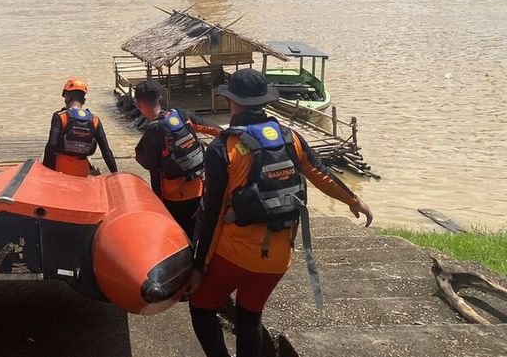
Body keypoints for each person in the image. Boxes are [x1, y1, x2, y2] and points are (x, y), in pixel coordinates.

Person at [188, 69, 373, 357]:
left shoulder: (224, 147)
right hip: (277, 258)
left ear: (231, 102)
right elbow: (320, 173)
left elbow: (211, 212)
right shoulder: (290, 138)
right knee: (249, 317)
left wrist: (199, 267)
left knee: (201, 307)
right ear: (264, 101)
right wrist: (353, 200)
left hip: (233, 255)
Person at [132, 80, 221, 240]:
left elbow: (146, 162)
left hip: (172, 199)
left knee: (175, 237)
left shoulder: (153, 132)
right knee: (194, 233)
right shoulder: (180, 115)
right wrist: (233, 135)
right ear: (160, 99)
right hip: (199, 188)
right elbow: (209, 127)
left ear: (138, 105)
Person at [41, 77, 118, 177]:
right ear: (84, 100)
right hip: (82, 172)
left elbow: (51, 145)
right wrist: (116, 174)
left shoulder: (60, 117)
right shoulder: (95, 120)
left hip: (60, 170)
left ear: (67, 97)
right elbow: (106, 151)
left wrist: (46, 173)